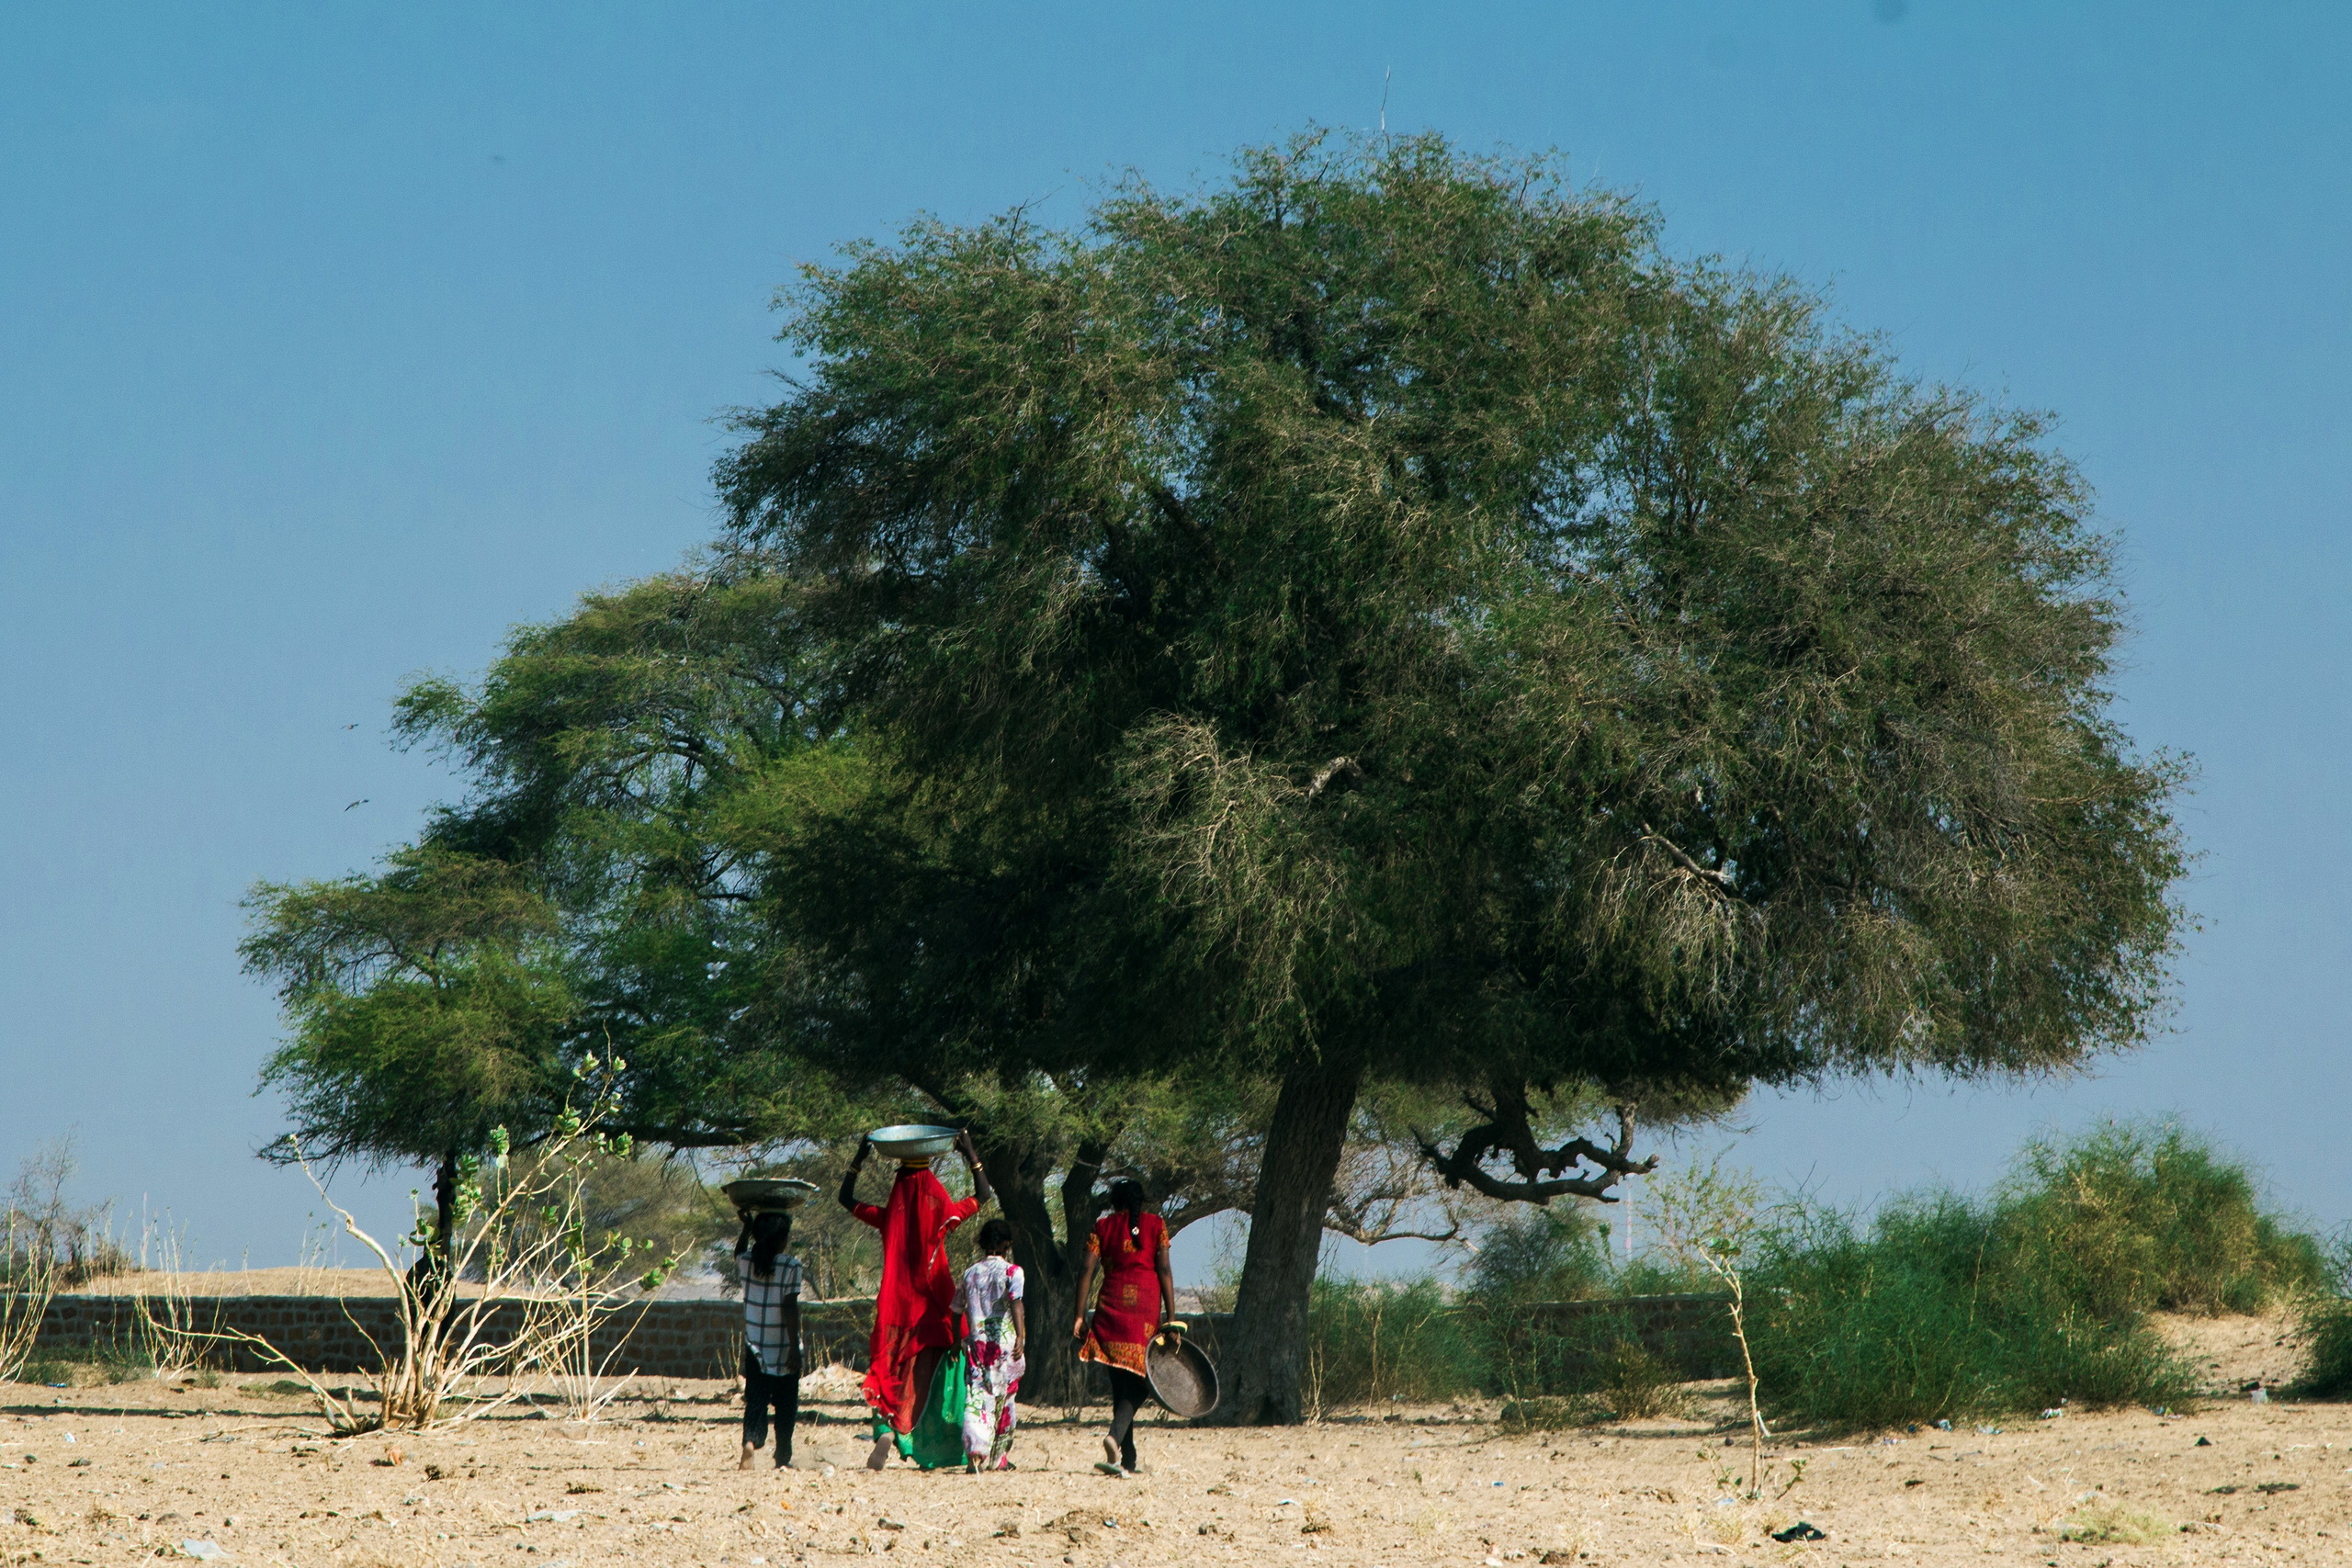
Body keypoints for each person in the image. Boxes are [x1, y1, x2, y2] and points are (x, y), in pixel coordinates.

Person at [840, 1127, 993, 1470]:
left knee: (892, 1371)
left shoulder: (886, 1218)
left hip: (895, 1308)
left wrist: (858, 1160)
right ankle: (924, 1441)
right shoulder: (943, 1216)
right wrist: (969, 1153)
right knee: (931, 1377)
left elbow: (846, 1200)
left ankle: (888, 1429)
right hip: (933, 1308)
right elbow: (983, 1196)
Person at [1071, 1178, 1179, 1476]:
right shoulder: (1157, 1225)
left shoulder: (1101, 1227)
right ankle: (1116, 1439)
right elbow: (1165, 1269)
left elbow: (1085, 1270)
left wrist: (1079, 1315)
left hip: (1112, 1305)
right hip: (1144, 1307)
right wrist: (1171, 1317)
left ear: (1113, 1202)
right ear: (1140, 1202)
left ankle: (1126, 1456)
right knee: (1145, 1378)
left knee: (1121, 1382)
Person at [734, 1208, 802, 1471]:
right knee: (786, 1405)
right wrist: (794, 1346)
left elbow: (738, 1252)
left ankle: (750, 1445)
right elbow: (790, 1307)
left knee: (756, 1399)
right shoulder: (791, 1266)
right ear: (783, 1238)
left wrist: (746, 1228)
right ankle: (783, 1456)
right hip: (783, 1345)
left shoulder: (748, 1261)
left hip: (755, 1345)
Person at [959, 1217, 1027, 1472]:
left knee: (977, 1396)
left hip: (977, 1346)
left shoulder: (969, 1273)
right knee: (1005, 1398)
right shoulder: (1013, 1272)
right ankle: (999, 1458)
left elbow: (957, 1308)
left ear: (982, 1243)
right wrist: (1020, 1337)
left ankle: (975, 1452)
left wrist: (959, 1339)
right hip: (1006, 1346)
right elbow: (1016, 1303)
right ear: (1008, 1243)